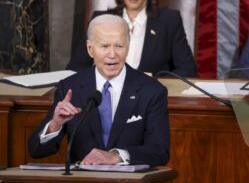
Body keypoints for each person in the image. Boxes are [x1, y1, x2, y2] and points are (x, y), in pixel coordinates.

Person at [28, 15, 170, 166]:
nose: (112, 54)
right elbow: (36, 151)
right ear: (90, 49)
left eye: (119, 46)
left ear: (127, 48)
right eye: (104, 46)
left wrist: (116, 156)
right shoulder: (70, 88)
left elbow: (160, 151)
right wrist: (55, 124)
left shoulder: (152, 90)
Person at [67, 0, 197, 78]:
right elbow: (75, 68)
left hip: (150, 97)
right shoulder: (100, 20)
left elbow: (187, 69)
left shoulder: (169, 20)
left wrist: (155, 85)